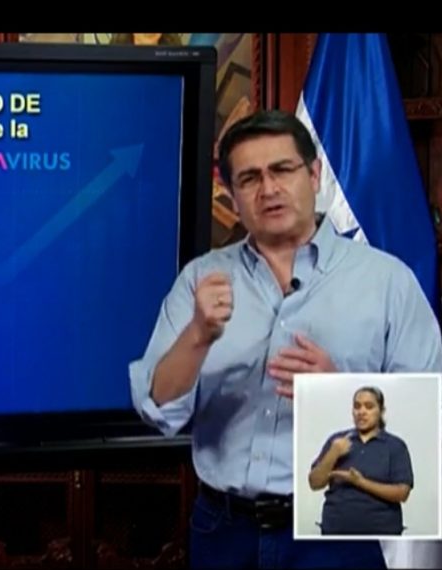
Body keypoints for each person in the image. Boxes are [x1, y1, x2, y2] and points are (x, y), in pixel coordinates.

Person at [128, 109, 442, 569]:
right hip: (222, 530)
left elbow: (429, 422)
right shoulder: (200, 280)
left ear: (313, 174)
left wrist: (339, 393)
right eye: (249, 178)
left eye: (282, 170)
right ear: (232, 194)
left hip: (335, 531)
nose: (268, 189)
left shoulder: (388, 282)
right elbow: (158, 409)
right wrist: (197, 336)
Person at [309, 386, 413, 536]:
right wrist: (334, 453)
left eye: (369, 407)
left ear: (381, 411)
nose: (361, 412)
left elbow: (402, 493)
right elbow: (314, 483)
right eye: (357, 406)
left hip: (382, 530)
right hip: (336, 529)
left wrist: (359, 482)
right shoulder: (337, 441)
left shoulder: (395, 445)